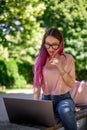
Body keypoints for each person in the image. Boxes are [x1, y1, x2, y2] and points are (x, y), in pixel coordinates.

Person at [33, 28, 77, 130]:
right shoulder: (39, 60)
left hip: (64, 99)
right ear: (44, 43)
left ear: (61, 44)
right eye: (47, 44)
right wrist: (35, 104)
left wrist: (60, 67)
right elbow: (37, 84)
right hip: (46, 100)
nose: (50, 48)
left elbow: (71, 84)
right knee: (40, 121)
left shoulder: (68, 59)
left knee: (65, 111)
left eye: (54, 44)